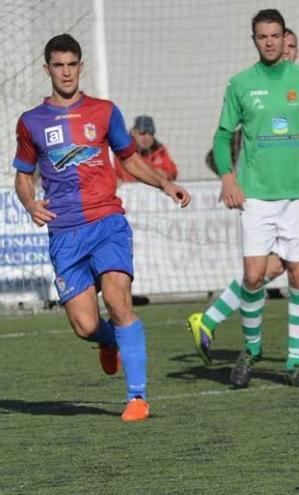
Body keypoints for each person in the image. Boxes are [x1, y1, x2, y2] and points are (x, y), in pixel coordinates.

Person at [12, 34, 191, 422]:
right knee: (85, 324)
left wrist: (164, 183)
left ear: (80, 66)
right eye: (58, 65)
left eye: (71, 64)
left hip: (107, 221)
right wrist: (30, 203)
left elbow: (128, 158)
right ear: (47, 70)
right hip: (64, 233)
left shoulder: (104, 111)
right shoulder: (31, 123)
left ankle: (137, 397)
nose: (65, 72)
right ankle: (109, 342)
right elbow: (23, 175)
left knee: (118, 299)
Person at [206, 9, 299, 389]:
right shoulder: (240, 84)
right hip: (257, 196)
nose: (269, 42)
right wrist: (228, 177)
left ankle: (293, 362)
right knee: (254, 277)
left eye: (275, 35)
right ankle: (251, 351)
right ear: (254, 40)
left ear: (285, 38)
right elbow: (222, 138)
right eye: (262, 36)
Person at [116, 115, 179, 182]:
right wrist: (154, 175)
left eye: (150, 133)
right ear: (133, 133)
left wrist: (167, 174)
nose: (147, 137)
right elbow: (126, 176)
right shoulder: (123, 150)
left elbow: (173, 172)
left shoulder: (159, 150)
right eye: (142, 133)